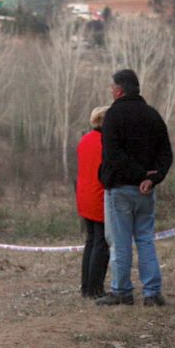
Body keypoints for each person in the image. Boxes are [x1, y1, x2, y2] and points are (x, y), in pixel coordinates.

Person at [96, 69, 173, 307]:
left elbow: (113, 155)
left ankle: (121, 291)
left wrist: (138, 175)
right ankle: (152, 292)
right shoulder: (153, 116)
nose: (111, 91)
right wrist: (153, 178)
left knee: (120, 243)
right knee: (145, 240)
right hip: (146, 191)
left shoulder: (113, 116)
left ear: (119, 90)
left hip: (120, 189)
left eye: (112, 88)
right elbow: (166, 154)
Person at [76, 106, 111, 299]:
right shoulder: (105, 143)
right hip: (99, 196)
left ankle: (86, 287)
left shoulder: (85, 140)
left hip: (84, 196)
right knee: (101, 243)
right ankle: (95, 288)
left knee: (91, 241)